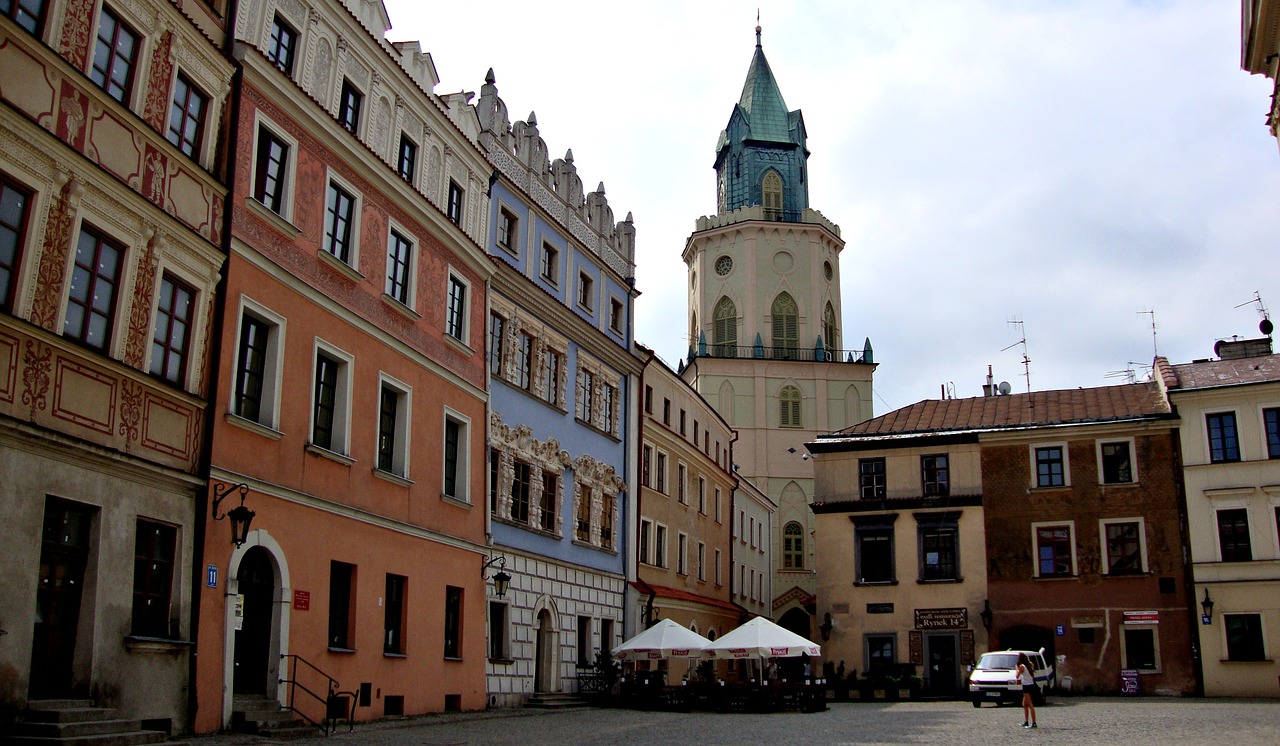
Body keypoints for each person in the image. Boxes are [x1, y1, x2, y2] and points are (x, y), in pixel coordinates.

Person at [1017, 653, 1038, 729]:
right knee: (1024, 704)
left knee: (1030, 705)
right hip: (1031, 685)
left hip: (1026, 686)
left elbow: (1017, 676)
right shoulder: (1030, 664)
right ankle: (1026, 721)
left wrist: (1017, 668)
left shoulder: (1022, 667)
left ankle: (1034, 723)